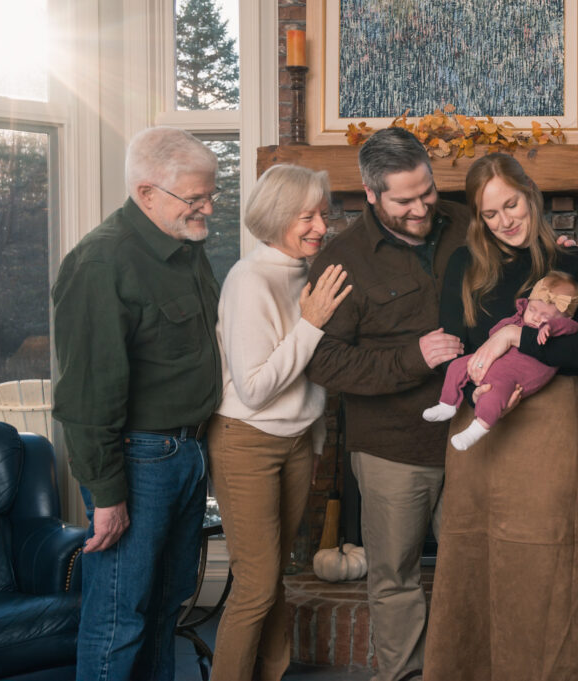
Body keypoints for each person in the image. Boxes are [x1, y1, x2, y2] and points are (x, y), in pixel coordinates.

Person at [423, 152, 578, 681]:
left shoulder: (577, 264)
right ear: (478, 219)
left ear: (530, 194)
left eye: (512, 203)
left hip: (548, 425)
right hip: (479, 419)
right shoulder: (463, 264)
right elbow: (457, 341)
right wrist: (493, 359)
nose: (506, 220)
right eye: (491, 213)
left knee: (544, 557)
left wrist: (514, 335)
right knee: (469, 550)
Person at [52, 126, 222, 681]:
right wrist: (106, 494)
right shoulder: (101, 264)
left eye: (210, 193)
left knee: (167, 605)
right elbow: (86, 394)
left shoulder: (187, 244)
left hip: (189, 451)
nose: (208, 208)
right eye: (195, 198)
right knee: (119, 614)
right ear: (147, 193)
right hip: (139, 457)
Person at [304, 127, 468, 681]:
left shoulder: (466, 224)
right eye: (405, 200)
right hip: (393, 451)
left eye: (427, 191)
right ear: (371, 195)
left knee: (471, 571)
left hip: (473, 440)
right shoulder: (340, 261)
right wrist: (412, 358)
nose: (422, 207)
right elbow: (325, 364)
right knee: (395, 576)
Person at [207, 164, 351, 681]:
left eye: (323, 215)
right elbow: (256, 387)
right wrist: (311, 323)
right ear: (275, 217)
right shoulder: (250, 279)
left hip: (295, 443)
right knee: (256, 584)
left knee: (277, 578)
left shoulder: (307, 272)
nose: (320, 226)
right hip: (246, 441)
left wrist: (313, 443)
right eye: (305, 216)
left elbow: (311, 377)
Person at [423, 270, 578, 451]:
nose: (536, 317)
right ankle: (447, 404)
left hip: (517, 375)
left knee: (496, 391)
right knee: (457, 366)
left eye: (545, 316)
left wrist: (550, 326)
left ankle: (477, 429)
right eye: (532, 309)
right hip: (495, 363)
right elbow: (494, 334)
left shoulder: (564, 326)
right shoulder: (520, 319)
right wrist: (504, 330)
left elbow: (569, 327)